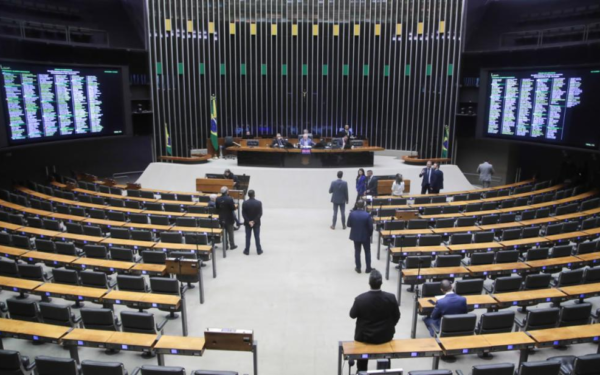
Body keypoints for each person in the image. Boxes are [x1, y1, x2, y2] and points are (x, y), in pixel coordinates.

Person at [349, 270, 400, 373]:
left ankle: (362, 371)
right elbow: (397, 316)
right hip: (385, 336)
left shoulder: (360, 299)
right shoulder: (390, 298)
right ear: (381, 283)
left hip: (364, 337)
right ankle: (385, 371)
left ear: (369, 283)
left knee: (362, 360)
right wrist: (389, 326)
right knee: (385, 358)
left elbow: (352, 315)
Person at [347, 200, 374, 273]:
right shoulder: (367, 215)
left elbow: (348, 225)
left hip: (356, 235)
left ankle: (358, 268)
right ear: (364, 205)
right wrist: (370, 234)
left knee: (357, 251)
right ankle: (368, 268)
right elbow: (371, 227)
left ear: (356, 205)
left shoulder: (352, 214)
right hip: (365, 236)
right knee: (367, 252)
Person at [242, 189, 263, 256]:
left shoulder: (245, 203)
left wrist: (249, 221)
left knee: (248, 237)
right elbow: (260, 214)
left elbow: (243, 214)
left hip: (248, 223)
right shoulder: (259, 203)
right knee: (257, 237)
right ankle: (259, 250)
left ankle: (247, 250)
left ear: (248, 195)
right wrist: (254, 221)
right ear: (254, 194)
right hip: (256, 223)